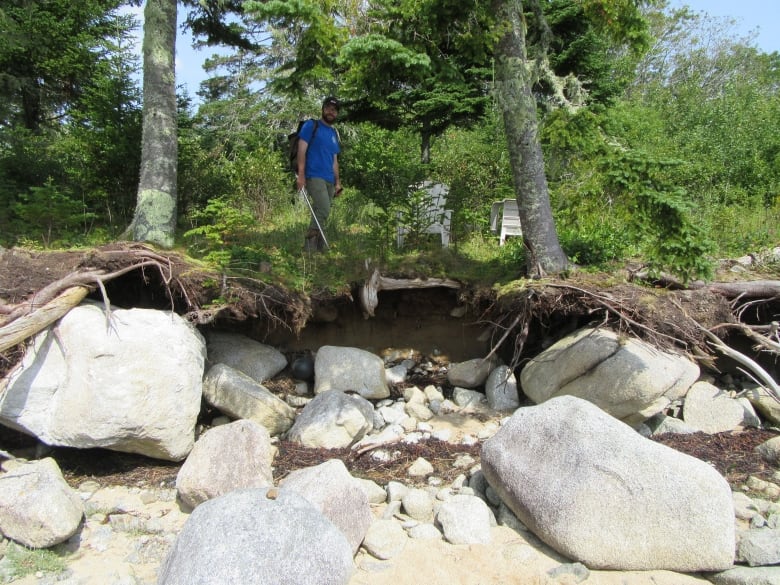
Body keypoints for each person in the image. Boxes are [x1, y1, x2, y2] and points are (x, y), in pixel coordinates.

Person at [296, 96, 343, 252]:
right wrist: (301, 175)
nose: (331, 112)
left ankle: (311, 249)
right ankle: (315, 240)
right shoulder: (311, 125)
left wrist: (338, 182)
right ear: (323, 109)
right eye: (329, 108)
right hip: (313, 175)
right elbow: (301, 150)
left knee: (319, 211)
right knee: (324, 208)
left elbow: (334, 160)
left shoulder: (333, 133)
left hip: (329, 178)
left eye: (335, 110)